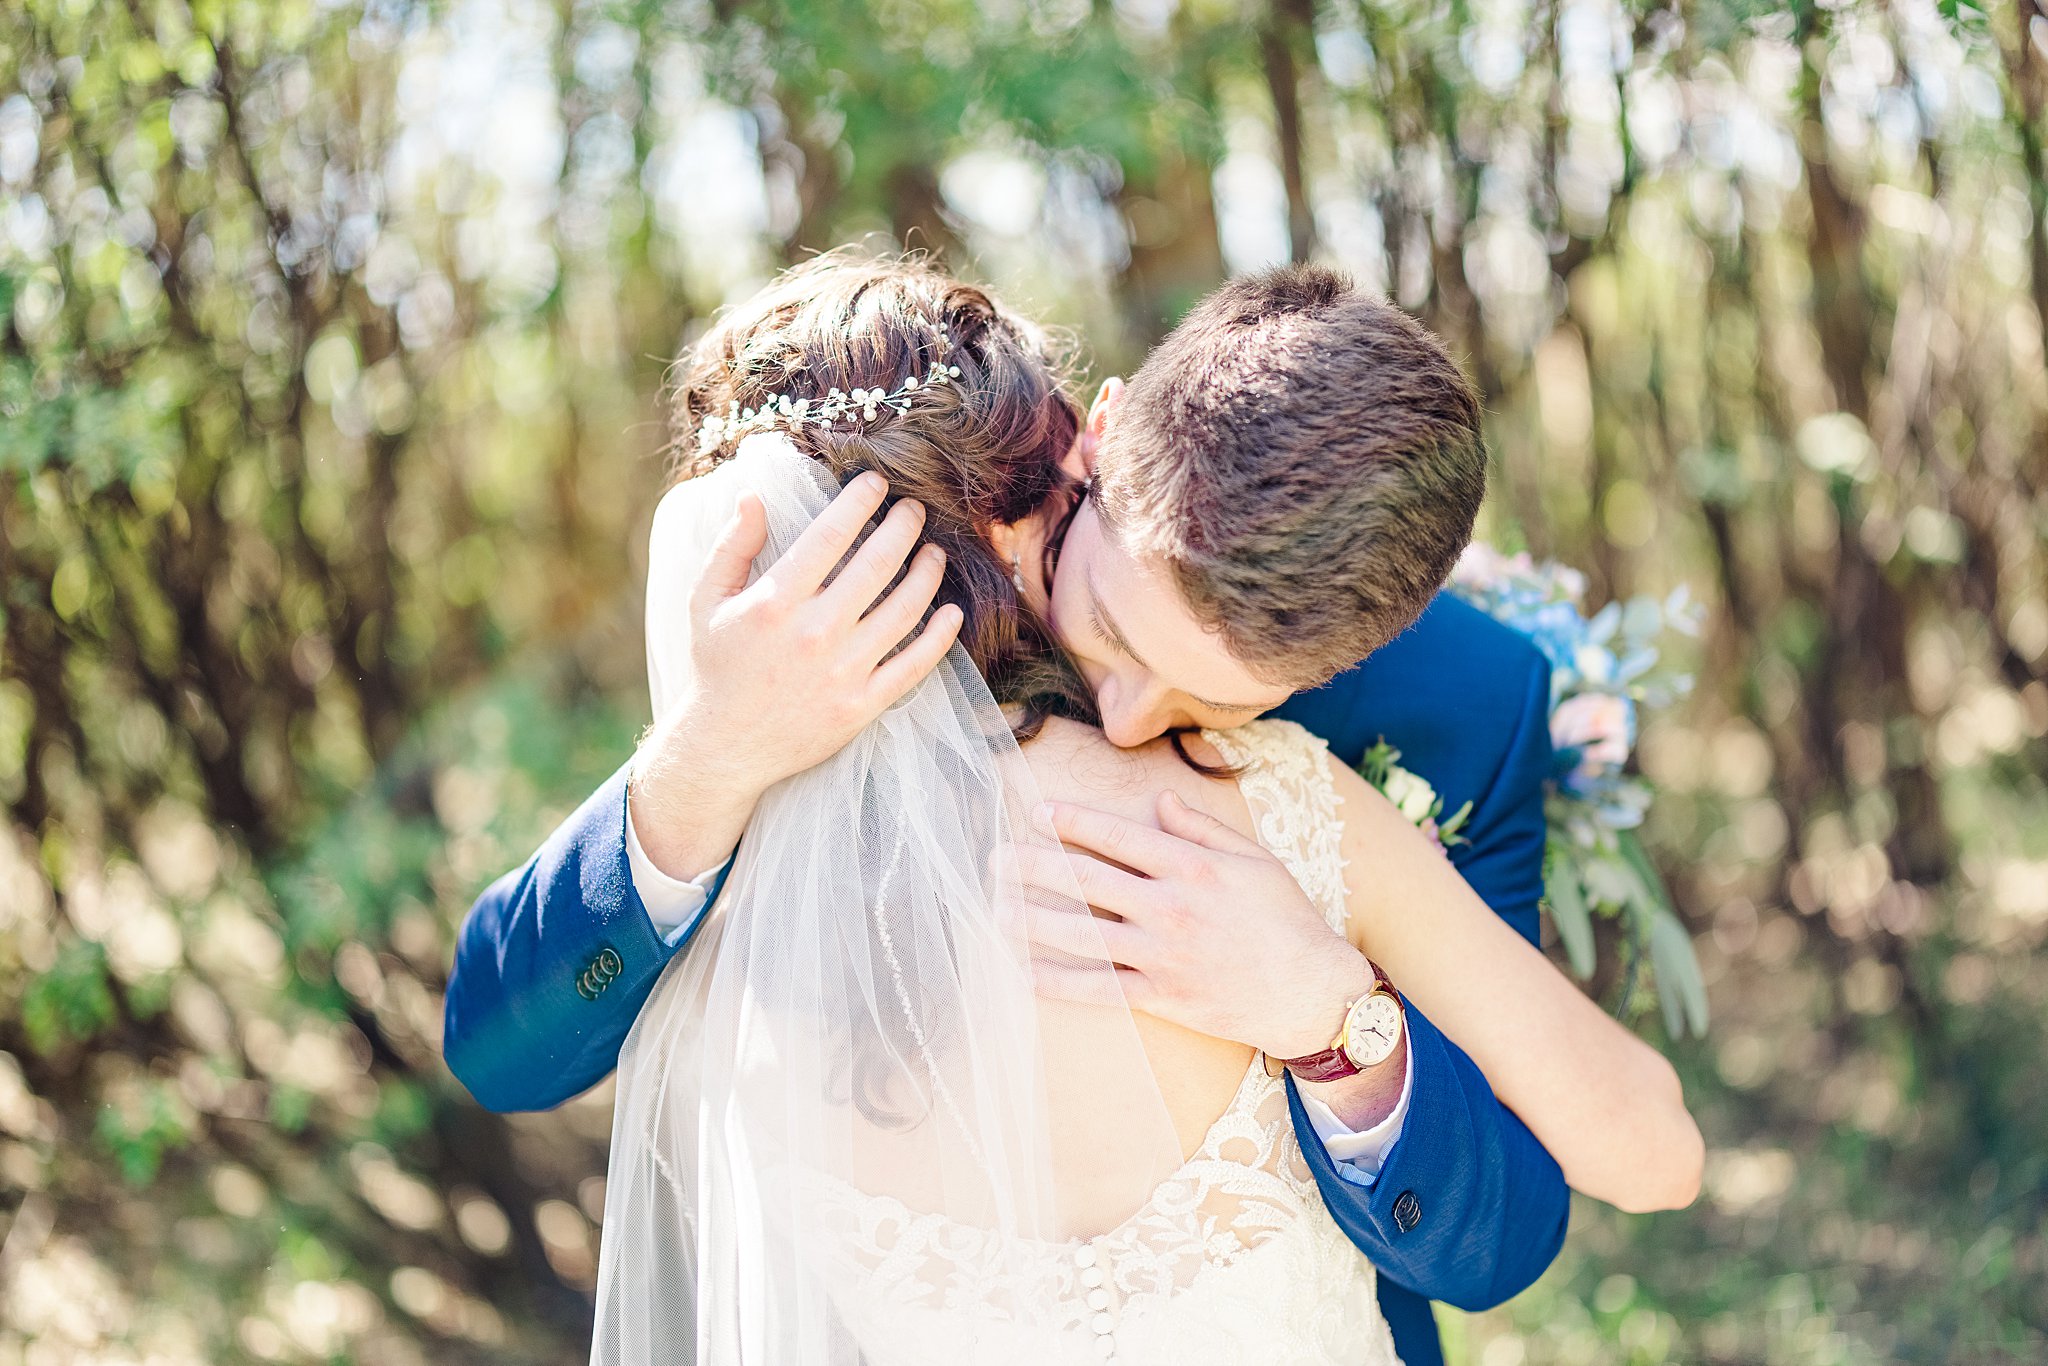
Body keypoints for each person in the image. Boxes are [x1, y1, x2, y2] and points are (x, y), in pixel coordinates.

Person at [445, 254, 1701, 1365]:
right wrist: (708, 756)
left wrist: (1335, 1017)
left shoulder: (1461, 705)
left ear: (1335, 671)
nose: (1127, 721)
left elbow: (1513, 1225)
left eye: (1206, 697)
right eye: (1102, 627)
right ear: (1090, 448)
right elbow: (504, 1044)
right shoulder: (807, 683)